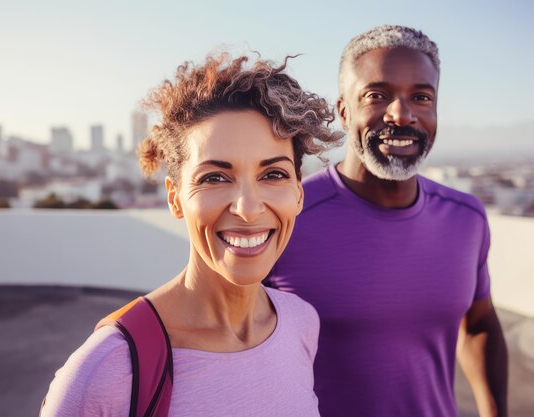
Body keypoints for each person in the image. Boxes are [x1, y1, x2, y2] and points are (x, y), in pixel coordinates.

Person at [40, 52, 341, 416]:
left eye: (273, 174)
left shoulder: (302, 323)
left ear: (298, 193)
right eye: (215, 178)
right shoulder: (107, 370)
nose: (247, 208)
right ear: (175, 198)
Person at [268, 25, 508, 417]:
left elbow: (480, 323)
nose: (401, 113)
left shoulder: (467, 218)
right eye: (377, 95)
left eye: (421, 97)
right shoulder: (286, 216)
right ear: (344, 110)